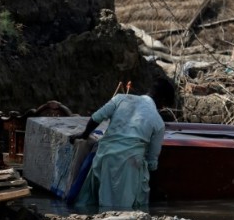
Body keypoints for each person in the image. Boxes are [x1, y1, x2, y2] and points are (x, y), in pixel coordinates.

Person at [70, 78, 175, 211]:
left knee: (94, 204)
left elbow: (96, 117)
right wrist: (154, 189)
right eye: (164, 106)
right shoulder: (158, 122)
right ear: (163, 100)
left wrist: (84, 135)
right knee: (123, 210)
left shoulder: (121, 99)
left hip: (104, 157)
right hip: (129, 166)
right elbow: (152, 162)